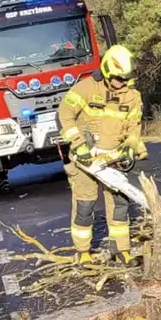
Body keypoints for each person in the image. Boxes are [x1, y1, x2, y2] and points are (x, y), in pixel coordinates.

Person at [58, 44, 148, 265]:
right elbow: (65, 113)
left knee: (120, 204)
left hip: (113, 160)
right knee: (85, 205)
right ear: (107, 72)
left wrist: (130, 146)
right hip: (85, 161)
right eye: (119, 79)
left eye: (126, 79)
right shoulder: (85, 89)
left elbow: (134, 126)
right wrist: (78, 144)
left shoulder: (132, 96)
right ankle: (83, 252)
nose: (123, 83)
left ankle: (121, 249)